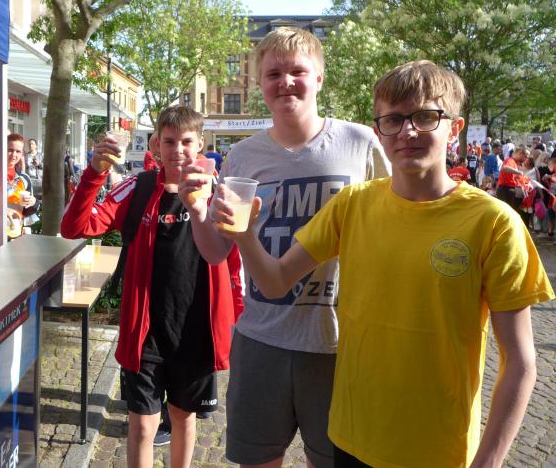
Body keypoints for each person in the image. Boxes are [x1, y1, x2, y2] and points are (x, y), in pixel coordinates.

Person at [215, 60, 553, 468]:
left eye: (425, 117)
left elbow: (520, 364)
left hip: (439, 450)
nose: (407, 131)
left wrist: (488, 463)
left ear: (454, 128)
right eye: (393, 120)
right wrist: (244, 234)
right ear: (378, 131)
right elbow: (275, 282)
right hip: (350, 439)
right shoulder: (352, 205)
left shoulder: (495, 223)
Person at [179, 27, 390, 468]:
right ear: (260, 83)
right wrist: (197, 210)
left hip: (338, 342)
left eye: (298, 71)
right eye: (274, 74)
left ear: (320, 78)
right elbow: (216, 251)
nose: (286, 82)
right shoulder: (242, 156)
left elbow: (394, 224)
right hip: (262, 337)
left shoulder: (360, 143)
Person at [61, 106, 236, 468]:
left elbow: (234, 261)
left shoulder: (219, 192)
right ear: (157, 144)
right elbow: (74, 227)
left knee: (183, 418)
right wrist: (94, 173)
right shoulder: (138, 188)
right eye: (169, 141)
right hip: (146, 333)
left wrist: (236, 317)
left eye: (186, 142)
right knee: (142, 427)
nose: (178, 150)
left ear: (199, 144)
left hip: (195, 331)